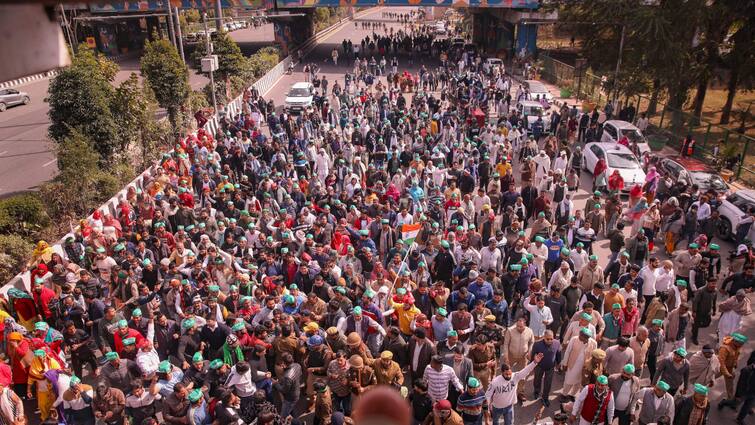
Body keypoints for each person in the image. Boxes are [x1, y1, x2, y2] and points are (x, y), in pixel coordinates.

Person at [484, 352, 543, 425]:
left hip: (509, 407)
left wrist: (534, 362)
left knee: (509, 423)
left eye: (510, 373)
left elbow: (525, 371)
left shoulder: (515, 376)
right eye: (506, 374)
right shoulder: (495, 382)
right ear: (502, 373)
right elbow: (488, 395)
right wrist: (487, 410)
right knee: (495, 422)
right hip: (497, 408)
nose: (509, 376)